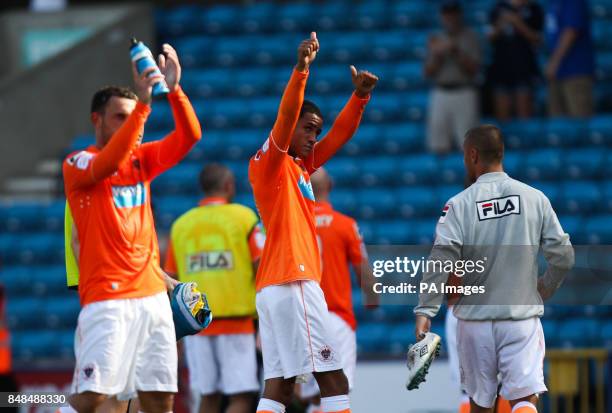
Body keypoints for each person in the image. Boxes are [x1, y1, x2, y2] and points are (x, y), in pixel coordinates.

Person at [63, 43, 201, 413]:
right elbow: (108, 164)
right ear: (97, 120)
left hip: (153, 299)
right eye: (118, 117)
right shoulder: (79, 163)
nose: (130, 124)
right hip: (108, 299)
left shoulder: (141, 160)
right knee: (92, 399)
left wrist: (174, 90)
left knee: (159, 401)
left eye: (131, 116)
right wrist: (142, 105)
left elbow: (189, 137)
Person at [248, 32, 377, 413]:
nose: (313, 137)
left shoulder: (300, 168)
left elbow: (338, 136)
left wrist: (359, 98)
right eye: (308, 128)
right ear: (289, 129)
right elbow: (288, 114)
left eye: (315, 130)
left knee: (280, 386)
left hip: (274, 287)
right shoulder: (273, 161)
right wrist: (301, 70)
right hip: (294, 281)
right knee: (333, 378)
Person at [413, 125, 574, 412]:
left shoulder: (458, 204)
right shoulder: (534, 198)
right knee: (524, 400)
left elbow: (440, 259)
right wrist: (545, 287)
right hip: (519, 318)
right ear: (501, 153)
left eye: (464, 155)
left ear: (473, 155)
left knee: (479, 403)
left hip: (474, 322)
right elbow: (563, 256)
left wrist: (426, 310)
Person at [164, 163, 265, 413]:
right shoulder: (244, 217)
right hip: (237, 321)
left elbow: (170, 279)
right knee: (241, 396)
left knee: (208, 396)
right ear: (229, 186)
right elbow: (261, 266)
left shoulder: (180, 225)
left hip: (195, 325)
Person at [298, 168, 377, 413]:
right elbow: (363, 271)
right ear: (330, 185)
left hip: (304, 319)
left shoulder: (295, 225)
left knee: (313, 395)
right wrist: (372, 297)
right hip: (336, 317)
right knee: (337, 391)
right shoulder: (345, 225)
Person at [424, 0, 481, 154]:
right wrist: (438, 55)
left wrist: (455, 51)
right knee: (438, 143)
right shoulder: (436, 39)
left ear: (459, 15)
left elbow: (474, 70)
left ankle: (467, 177)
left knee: (468, 144)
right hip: (441, 91)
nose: (450, 18)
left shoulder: (470, 37)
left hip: (464, 90)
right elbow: (427, 72)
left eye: (453, 14)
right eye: (447, 14)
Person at [487, 0, 544, 120]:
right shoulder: (498, 8)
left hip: (524, 69)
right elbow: (489, 38)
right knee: (502, 121)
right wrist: (502, 23)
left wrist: (517, 23)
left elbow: (538, 39)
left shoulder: (534, 8)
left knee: (525, 119)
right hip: (501, 69)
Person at [545, 0, 595, 117]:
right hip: (558, 73)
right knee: (557, 126)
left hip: (575, 72)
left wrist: (553, 63)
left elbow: (571, 31)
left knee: (579, 123)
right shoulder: (552, 3)